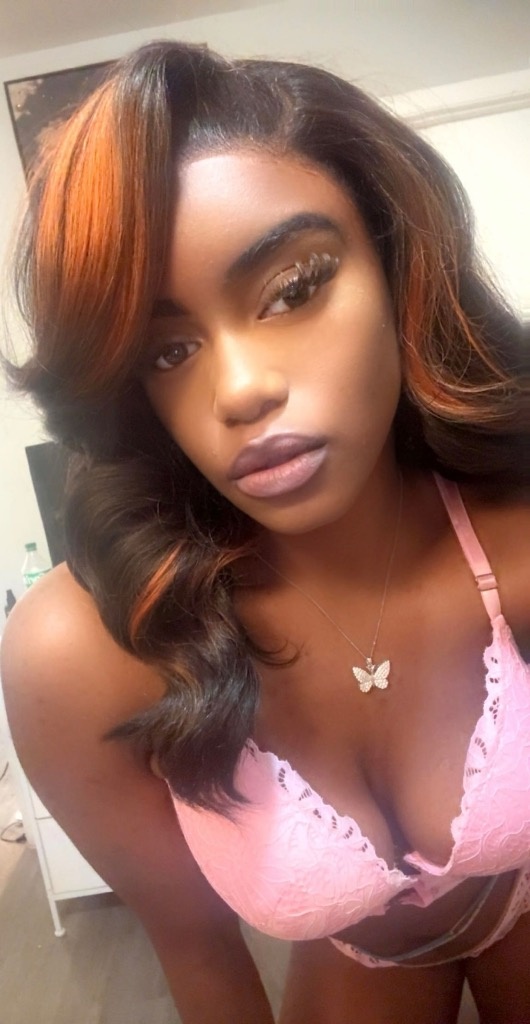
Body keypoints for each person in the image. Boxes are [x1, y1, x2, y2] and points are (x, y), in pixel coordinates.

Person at [2, 40, 529, 1024]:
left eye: (294, 289)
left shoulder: (510, 526)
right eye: (166, 350)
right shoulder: (88, 656)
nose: (240, 389)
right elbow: (197, 951)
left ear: (397, 267)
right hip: (359, 961)